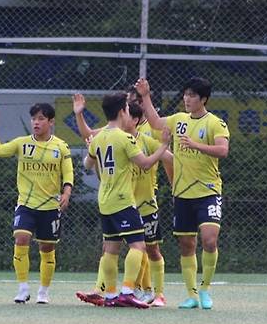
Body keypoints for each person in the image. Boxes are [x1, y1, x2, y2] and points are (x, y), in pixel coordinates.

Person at [137, 77, 229, 310]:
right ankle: (192, 295)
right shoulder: (178, 120)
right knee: (186, 244)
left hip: (208, 191)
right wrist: (146, 96)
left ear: (204, 99)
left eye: (192, 96)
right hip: (183, 194)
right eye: (185, 95)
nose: (187, 99)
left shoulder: (215, 123)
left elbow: (223, 150)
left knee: (209, 240)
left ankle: (206, 289)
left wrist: (196, 145)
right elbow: (156, 122)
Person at [72, 90, 173, 303]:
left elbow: (87, 165)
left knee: (110, 248)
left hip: (105, 201)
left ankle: (109, 294)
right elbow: (145, 164)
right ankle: (127, 292)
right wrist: (163, 145)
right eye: (127, 108)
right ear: (122, 111)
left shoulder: (99, 138)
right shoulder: (126, 138)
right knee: (138, 246)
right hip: (123, 200)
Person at [0, 103, 73, 304]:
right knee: (21, 239)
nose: (36, 122)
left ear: (51, 122)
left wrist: (66, 192)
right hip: (26, 204)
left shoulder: (61, 146)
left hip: (50, 206)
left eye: (41, 118)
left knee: (47, 249)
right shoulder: (22, 143)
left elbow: (68, 173)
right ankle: (23, 288)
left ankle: (43, 291)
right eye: (34, 118)